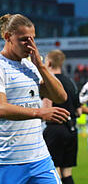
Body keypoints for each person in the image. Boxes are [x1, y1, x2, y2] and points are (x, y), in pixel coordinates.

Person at [0, 14, 70, 184]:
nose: (30, 45)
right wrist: (39, 113)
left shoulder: (31, 66)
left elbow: (61, 96)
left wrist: (41, 66)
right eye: (24, 40)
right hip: (6, 162)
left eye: (33, 39)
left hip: (40, 159)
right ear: (8, 37)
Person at [42, 50, 81, 184]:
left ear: (49, 62)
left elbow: (46, 111)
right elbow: (79, 111)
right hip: (71, 130)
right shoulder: (71, 82)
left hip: (55, 130)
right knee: (67, 173)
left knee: (55, 172)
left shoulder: (50, 82)